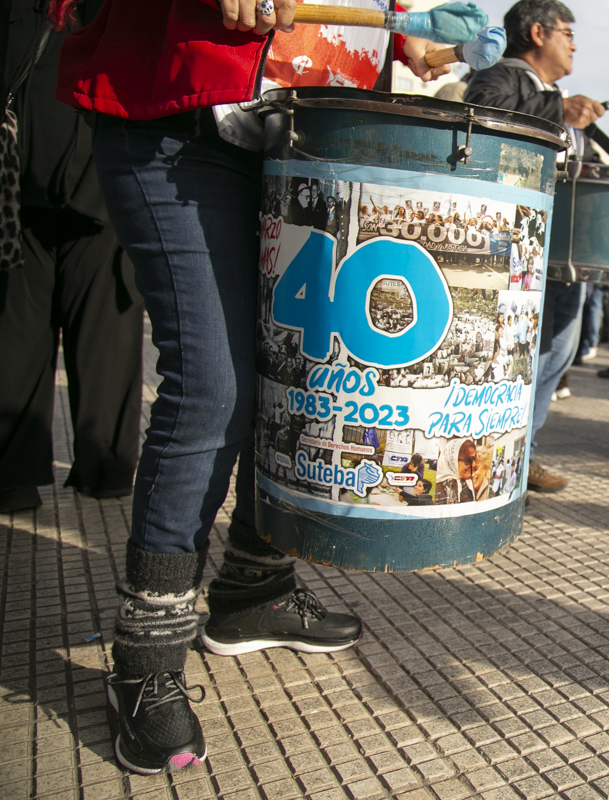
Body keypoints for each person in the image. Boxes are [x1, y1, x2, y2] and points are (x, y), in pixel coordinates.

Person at [55, 0, 452, 775]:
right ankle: (147, 655)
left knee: (294, 372)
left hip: (313, 136)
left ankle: (252, 588)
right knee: (213, 388)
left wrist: (412, 31)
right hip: (177, 124)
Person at [0, 0, 143, 513]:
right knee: (31, 333)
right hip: (48, 187)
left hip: (72, 185)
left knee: (68, 331)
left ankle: (46, 472)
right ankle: (86, 471)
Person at [464, 0, 604, 491]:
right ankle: (501, 460)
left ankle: (524, 452)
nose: (574, 44)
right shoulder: (502, 74)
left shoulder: (551, 92)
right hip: (517, 243)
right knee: (519, 356)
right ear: (539, 33)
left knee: (557, 355)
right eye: (568, 32)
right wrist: (557, 111)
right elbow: (482, 108)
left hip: (561, 248)